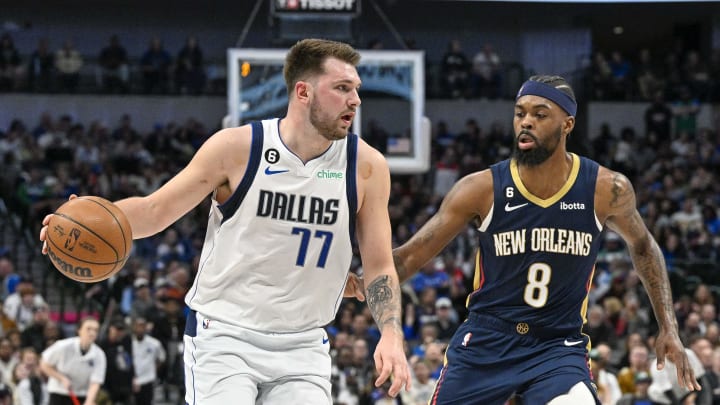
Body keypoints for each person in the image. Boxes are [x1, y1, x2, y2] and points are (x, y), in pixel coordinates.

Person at [40, 38, 410, 404]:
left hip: (304, 342)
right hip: (225, 335)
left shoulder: (367, 166)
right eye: (342, 88)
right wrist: (81, 222)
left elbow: (379, 265)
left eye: (356, 89)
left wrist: (391, 333)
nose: (355, 100)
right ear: (303, 92)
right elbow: (154, 211)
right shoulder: (237, 148)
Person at [350, 75, 700, 404]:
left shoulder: (606, 188)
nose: (525, 121)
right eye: (520, 113)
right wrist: (350, 287)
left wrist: (668, 325)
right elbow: (409, 257)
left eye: (540, 114)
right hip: (487, 342)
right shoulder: (481, 189)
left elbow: (643, 245)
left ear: (568, 124)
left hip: (556, 347)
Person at [39, 317, 106, 405]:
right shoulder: (63, 346)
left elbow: (95, 382)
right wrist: (61, 378)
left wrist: (89, 401)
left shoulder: (99, 354)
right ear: (79, 330)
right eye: (88, 329)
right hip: (58, 393)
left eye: (95, 330)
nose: (92, 333)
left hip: (82, 395)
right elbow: (44, 364)